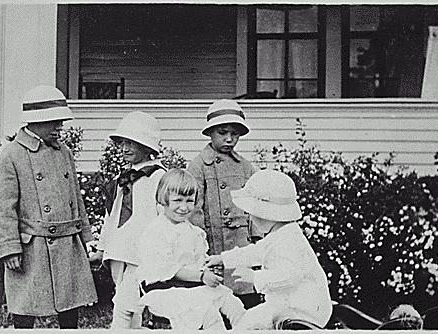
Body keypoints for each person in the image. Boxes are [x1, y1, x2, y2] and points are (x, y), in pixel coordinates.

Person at [0, 86, 97, 329]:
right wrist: (9, 248)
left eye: (61, 121)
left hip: (67, 243)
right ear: (35, 122)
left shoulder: (64, 152)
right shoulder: (11, 156)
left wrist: (86, 238)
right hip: (32, 248)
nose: (60, 128)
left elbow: (76, 200)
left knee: (70, 307)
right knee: (25, 307)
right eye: (54, 122)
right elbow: (2, 208)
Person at [205, 170, 333, 330]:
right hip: (289, 305)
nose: (251, 218)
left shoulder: (288, 241)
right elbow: (256, 253)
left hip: (300, 310)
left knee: (249, 322)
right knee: (250, 320)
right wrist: (224, 259)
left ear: (267, 214)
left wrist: (255, 277)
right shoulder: (280, 234)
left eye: (253, 213)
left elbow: (290, 276)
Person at [136, 169, 246, 330]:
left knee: (232, 303)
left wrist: (209, 268)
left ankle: (246, 329)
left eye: (189, 201)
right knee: (207, 313)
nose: (184, 207)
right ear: (164, 200)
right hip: (165, 289)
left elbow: (198, 260)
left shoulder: (193, 231)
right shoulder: (157, 231)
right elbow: (169, 270)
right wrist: (201, 276)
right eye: (178, 200)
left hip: (191, 286)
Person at [92, 111, 166, 329]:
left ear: (147, 145)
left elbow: (165, 215)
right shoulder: (121, 178)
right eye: (122, 143)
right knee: (127, 299)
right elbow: (112, 215)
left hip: (142, 251)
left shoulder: (159, 178)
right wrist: (102, 247)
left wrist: (163, 247)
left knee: (126, 301)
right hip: (118, 250)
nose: (124, 148)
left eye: (131, 143)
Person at [186, 99, 257, 306]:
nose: (229, 139)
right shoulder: (199, 165)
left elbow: (254, 205)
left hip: (240, 241)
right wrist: (200, 243)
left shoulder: (245, 167)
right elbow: (193, 209)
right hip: (213, 242)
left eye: (234, 134)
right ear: (210, 132)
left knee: (244, 295)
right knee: (215, 298)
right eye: (223, 133)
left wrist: (255, 237)